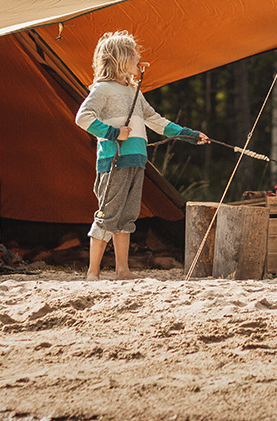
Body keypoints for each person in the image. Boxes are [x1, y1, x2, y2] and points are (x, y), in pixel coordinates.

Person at [75, 31, 208, 280]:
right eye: (134, 53)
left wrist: (188, 134)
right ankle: (92, 273)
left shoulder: (134, 92)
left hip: (136, 160)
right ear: (121, 59)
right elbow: (83, 117)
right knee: (108, 214)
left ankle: (122, 270)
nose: (139, 58)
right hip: (114, 161)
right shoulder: (103, 89)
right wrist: (113, 133)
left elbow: (155, 120)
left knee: (127, 216)